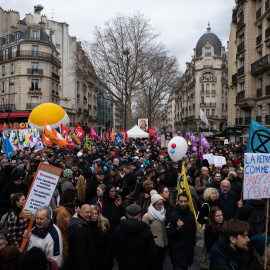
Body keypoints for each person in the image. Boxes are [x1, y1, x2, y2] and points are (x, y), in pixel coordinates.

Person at [111, 204, 158, 270]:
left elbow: (113, 248)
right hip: (142, 265)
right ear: (140, 216)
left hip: (123, 265)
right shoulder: (146, 232)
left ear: (126, 215)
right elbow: (152, 252)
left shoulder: (118, 230)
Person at [166, 192, 196, 270]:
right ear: (178, 201)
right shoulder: (172, 216)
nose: (183, 204)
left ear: (188, 201)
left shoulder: (191, 215)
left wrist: (192, 244)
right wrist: (177, 228)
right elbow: (168, 233)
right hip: (177, 252)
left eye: (185, 201)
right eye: (181, 201)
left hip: (188, 251)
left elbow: (193, 231)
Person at [142, 192, 168, 270]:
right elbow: (144, 233)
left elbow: (163, 228)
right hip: (152, 247)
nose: (160, 206)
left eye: (161, 204)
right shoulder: (147, 216)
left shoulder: (163, 212)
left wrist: (166, 241)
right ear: (153, 204)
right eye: (158, 204)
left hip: (162, 245)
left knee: (161, 265)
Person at [67, 204, 95, 270]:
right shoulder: (79, 229)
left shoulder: (85, 224)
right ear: (80, 213)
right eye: (87, 212)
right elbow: (79, 252)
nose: (89, 214)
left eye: (90, 212)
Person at [54, 188, 77, 265]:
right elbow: (69, 227)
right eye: (74, 197)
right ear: (70, 198)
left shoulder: (67, 209)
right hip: (65, 245)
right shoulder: (63, 212)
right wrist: (75, 216)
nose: (76, 198)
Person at [90, 205, 112, 270]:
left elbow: (108, 242)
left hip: (102, 256)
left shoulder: (104, 224)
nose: (94, 215)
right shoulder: (86, 224)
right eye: (92, 213)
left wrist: (106, 258)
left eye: (96, 213)